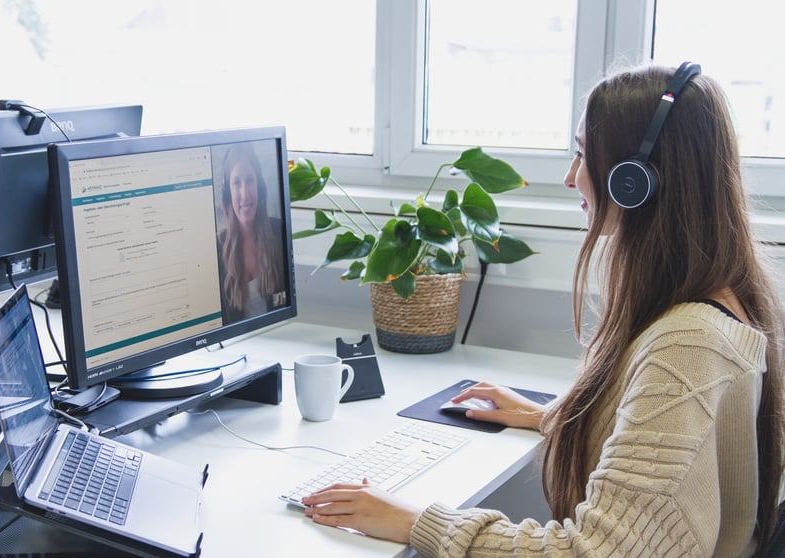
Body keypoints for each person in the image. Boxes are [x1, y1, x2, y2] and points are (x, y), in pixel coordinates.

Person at [300, 63, 785, 556]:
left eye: (582, 155)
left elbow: (595, 551)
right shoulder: (724, 299)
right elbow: (678, 462)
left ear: (634, 181)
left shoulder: (688, 344)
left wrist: (414, 521)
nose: (572, 177)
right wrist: (562, 417)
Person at [217, 142, 285, 322]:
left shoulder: (279, 233)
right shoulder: (217, 250)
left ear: (259, 186)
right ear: (228, 193)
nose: (245, 194)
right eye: (237, 183)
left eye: (250, 181)